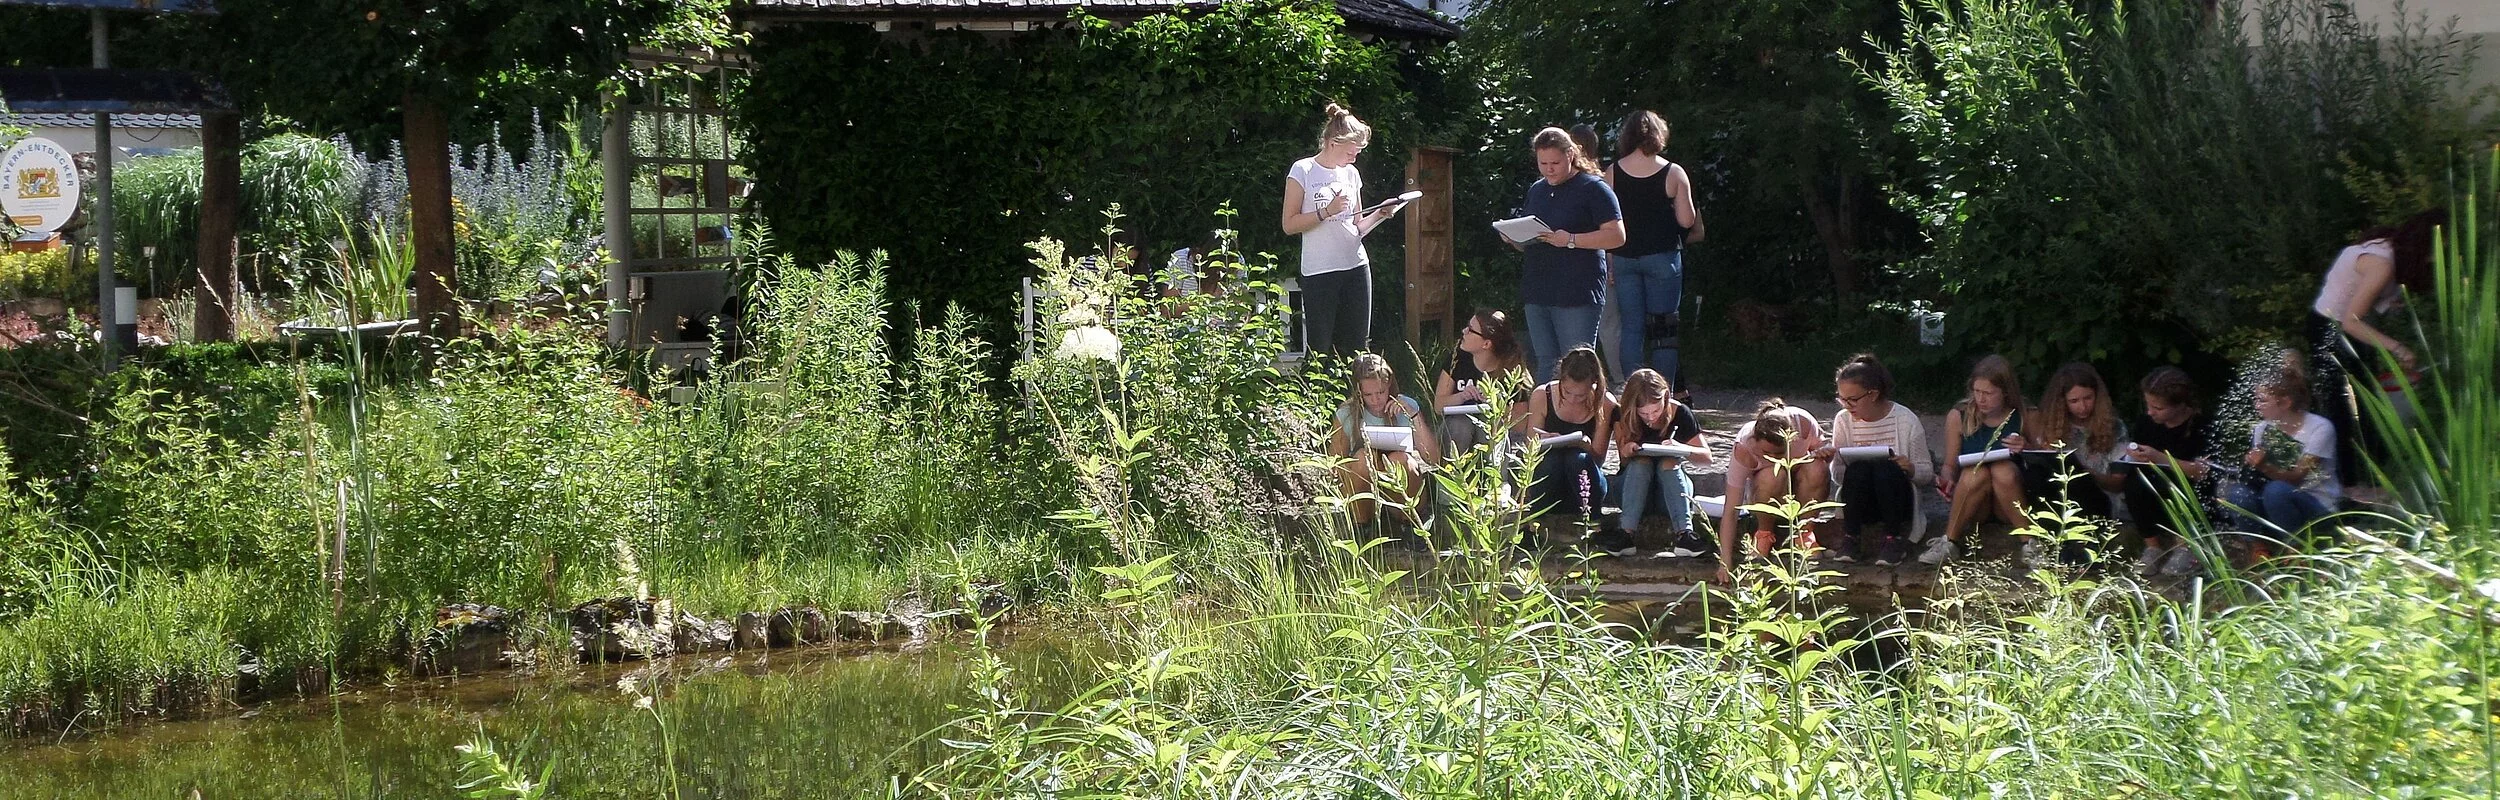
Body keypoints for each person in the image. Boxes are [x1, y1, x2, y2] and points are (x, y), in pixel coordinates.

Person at [2307, 209, 2445, 486]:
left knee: (2369, 402)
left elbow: (2364, 296)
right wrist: (2397, 348)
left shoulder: (2390, 247)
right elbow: (2352, 320)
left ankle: (2382, 471)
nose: (2434, 259)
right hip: (2330, 330)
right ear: (2423, 245)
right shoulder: (2382, 263)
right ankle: (2350, 486)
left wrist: (2389, 303)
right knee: (2344, 409)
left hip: (2344, 327)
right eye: (2435, 251)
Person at [1283, 103, 1406, 358]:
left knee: (1357, 348)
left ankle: (1354, 398)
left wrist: (1380, 214)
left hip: (1356, 267)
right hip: (1320, 271)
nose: (1354, 158)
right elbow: (1289, 224)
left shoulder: (1351, 173)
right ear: (1333, 143)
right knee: (1320, 349)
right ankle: (1316, 398)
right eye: (1352, 151)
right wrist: (1325, 211)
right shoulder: (1303, 170)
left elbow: (1356, 226)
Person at [1512, 127, 1625, 383]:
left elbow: (1617, 236)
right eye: (1543, 163)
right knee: (1546, 362)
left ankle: (1586, 420)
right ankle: (1546, 420)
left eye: (1555, 162)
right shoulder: (1537, 190)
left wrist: (1571, 240)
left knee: (1577, 364)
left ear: (1571, 155)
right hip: (1538, 288)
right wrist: (1514, 237)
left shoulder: (1594, 188)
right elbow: (1529, 239)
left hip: (1577, 291)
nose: (1549, 169)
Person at [1605, 110, 1703, 389]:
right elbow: (1687, 220)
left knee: (1632, 328)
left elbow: (1609, 222)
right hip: (1663, 258)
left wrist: (1610, 263)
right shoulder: (1673, 172)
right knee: (1664, 328)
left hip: (1624, 257)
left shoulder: (1613, 172)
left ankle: (1633, 392)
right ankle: (1663, 395)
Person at [1816, 353, 1934, 566]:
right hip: (1861, 500)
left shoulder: (1905, 420)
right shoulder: (1843, 421)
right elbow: (1840, 478)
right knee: (1859, 469)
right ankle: (1851, 538)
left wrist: (1910, 468)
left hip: (1897, 500)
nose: (1847, 406)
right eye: (1842, 399)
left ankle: (1893, 539)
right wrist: (1835, 459)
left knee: (1884, 468)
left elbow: (1926, 474)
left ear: (1872, 394)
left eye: (1853, 400)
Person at [2020, 362, 2129, 565]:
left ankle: (2089, 544)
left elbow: (2118, 482)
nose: (2083, 406)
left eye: (2088, 398)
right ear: (2063, 403)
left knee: (2074, 472)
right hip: (2062, 499)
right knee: (2036, 473)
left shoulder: (2115, 427)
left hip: (2098, 499)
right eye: (2074, 401)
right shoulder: (2053, 426)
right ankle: (2053, 544)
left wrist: (2086, 472)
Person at [2227, 363, 2340, 553]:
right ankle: (2258, 548)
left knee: (2276, 490)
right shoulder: (2262, 428)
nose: (2256, 406)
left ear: (2285, 402)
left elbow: (2298, 477)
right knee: (2237, 492)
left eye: (2262, 400)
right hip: (2275, 502)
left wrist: (2264, 466)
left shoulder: (2320, 428)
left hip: (2316, 504)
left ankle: (2297, 548)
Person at [1600, 368, 1711, 557]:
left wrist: (1681, 448)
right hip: (1632, 491)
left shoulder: (1680, 413)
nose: (1651, 418)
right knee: (1640, 462)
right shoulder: (1623, 414)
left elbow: (1707, 458)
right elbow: (1624, 458)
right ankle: (1625, 534)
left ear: (1666, 398)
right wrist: (1627, 450)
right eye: (1643, 413)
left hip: (1670, 494)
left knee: (1668, 462)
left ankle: (1685, 534)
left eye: (1656, 411)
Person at [1717, 399, 1830, 581]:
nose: (1775, 457)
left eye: (1779, 453)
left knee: (1818, 468)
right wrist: (1725, 560)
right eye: (1767, 453)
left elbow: (1823, 449)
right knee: (1772, 474)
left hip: (1801, 487)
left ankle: (1805, 532)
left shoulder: (1803, 422)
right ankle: (1764, 534)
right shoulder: (1744, 447)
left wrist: (1826, 453)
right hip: (1766, 493)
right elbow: (1731, 509)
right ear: (1755, 440)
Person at [1935, 355, 2033, 565]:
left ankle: (2030, 543)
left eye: (1988, 393)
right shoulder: (1960, 414)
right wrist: (1946, 479)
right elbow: (1949, 465)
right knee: (1974, 471)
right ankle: (1948, 542)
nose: (1981, 399)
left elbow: (2046, 458)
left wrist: (2027, 447)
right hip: (1974, 498)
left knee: (2001, 469)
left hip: (2009, 499)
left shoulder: (2025, 414)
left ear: (2005, 392)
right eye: (1977, 391)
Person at [1328, 353, 1442, 531]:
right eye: (1368, 394)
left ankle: (1411, 526)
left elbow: (1434, 459)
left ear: (1389, 384)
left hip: (1400, 490)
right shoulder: (1347, 414)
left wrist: (1414, 416)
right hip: (1365, 492)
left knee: (1401, 459)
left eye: (1381, 392)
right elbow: (1335, 466)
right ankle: (1362, 527)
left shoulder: (1407, 406)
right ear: (1358, 391)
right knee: (1362, 459)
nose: (1375, 400)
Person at [2122, 366, 2216, 578]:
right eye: (2148, 405)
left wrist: (2159, 457)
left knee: (2179, 484)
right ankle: (2152, 547)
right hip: (2153, 491)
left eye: (2158, 408)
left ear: (2180, 405)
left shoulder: (2203, 426)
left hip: (2189, 490)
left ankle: (2186, 546)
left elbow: (2202, 472)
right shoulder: (2148, 423)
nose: (2150, 412)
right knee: (2134, 483)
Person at [1523, 346, 1614, 543]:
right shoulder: (1543, 395)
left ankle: (1594, 525)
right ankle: (1532, 527)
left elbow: (1598, 458)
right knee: (1551, 460)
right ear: (1561, 380)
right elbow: (1530, 447)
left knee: (1577, 458)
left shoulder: (1605, 402)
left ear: (1594, 384)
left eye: (1581, 395)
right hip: (1549, 482)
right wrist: (1547, 439)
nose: (1573, 399)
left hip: (1585, 482)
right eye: (1567, 392)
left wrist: (1583, 445)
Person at [1434, 308, 1530, 462]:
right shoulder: (1457, 358)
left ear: (1486, 344)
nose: (1464, 331)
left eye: (1471, 330)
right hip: (1457, 434)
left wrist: (1495, 404)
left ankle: (1495, 482)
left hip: (1494, 439)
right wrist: (1461, 396)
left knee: (1490, 425)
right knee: (1460, 424)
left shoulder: (1511, 369)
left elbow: (1521, 424)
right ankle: (1451, 479)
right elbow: (1438, 406)